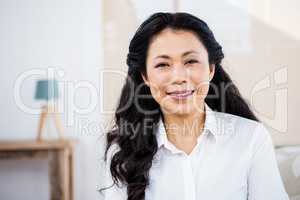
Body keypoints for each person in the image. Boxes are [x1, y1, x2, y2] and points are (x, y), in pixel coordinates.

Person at [99, 12, 289, 200]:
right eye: (163, 64)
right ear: (145, 76)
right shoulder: (123, 151)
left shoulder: (251, 139)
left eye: (190, 61)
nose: (179, 77)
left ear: (211, 68)